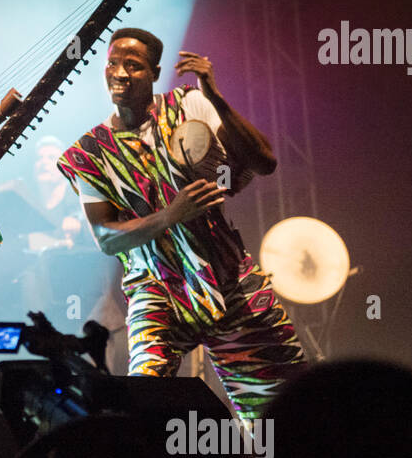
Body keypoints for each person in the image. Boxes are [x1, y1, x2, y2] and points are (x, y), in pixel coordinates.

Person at [56, 28, 306, 419]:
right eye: (112, 64)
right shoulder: (90, 152)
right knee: (144, 404)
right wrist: (171, 215)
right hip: (157, 293)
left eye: (134, 66)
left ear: (155, 73)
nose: (119, 73)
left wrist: (215, 95)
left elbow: (264, 163)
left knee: (284, 412)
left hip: (228, 280)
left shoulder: (189, 104)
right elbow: (106, 238)